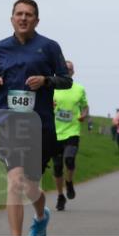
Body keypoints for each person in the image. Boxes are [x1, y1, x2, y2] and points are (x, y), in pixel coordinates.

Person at [0, 0, 71, 236]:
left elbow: (66, 80)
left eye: (29, 14)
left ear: (36, 20)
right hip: (9, 123)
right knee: (14, 182)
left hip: (40, 126)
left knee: (31, 187)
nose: (23, 18)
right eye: (19, 14)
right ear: (12, 18)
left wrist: (46, 81)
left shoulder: (48, 47)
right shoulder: (1, 48)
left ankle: (40, 215)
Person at [51, 60, 89, 211]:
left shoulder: (79, 89)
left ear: (73, 72)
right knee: (57, 167)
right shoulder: (52, 87)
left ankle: (69, 182)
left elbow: (85, 107)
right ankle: (60, 195)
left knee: (69, 159)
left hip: (72, 131)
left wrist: (83, 115)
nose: (67, 71)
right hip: (55, 132)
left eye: (70, 69)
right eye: (64, 69)